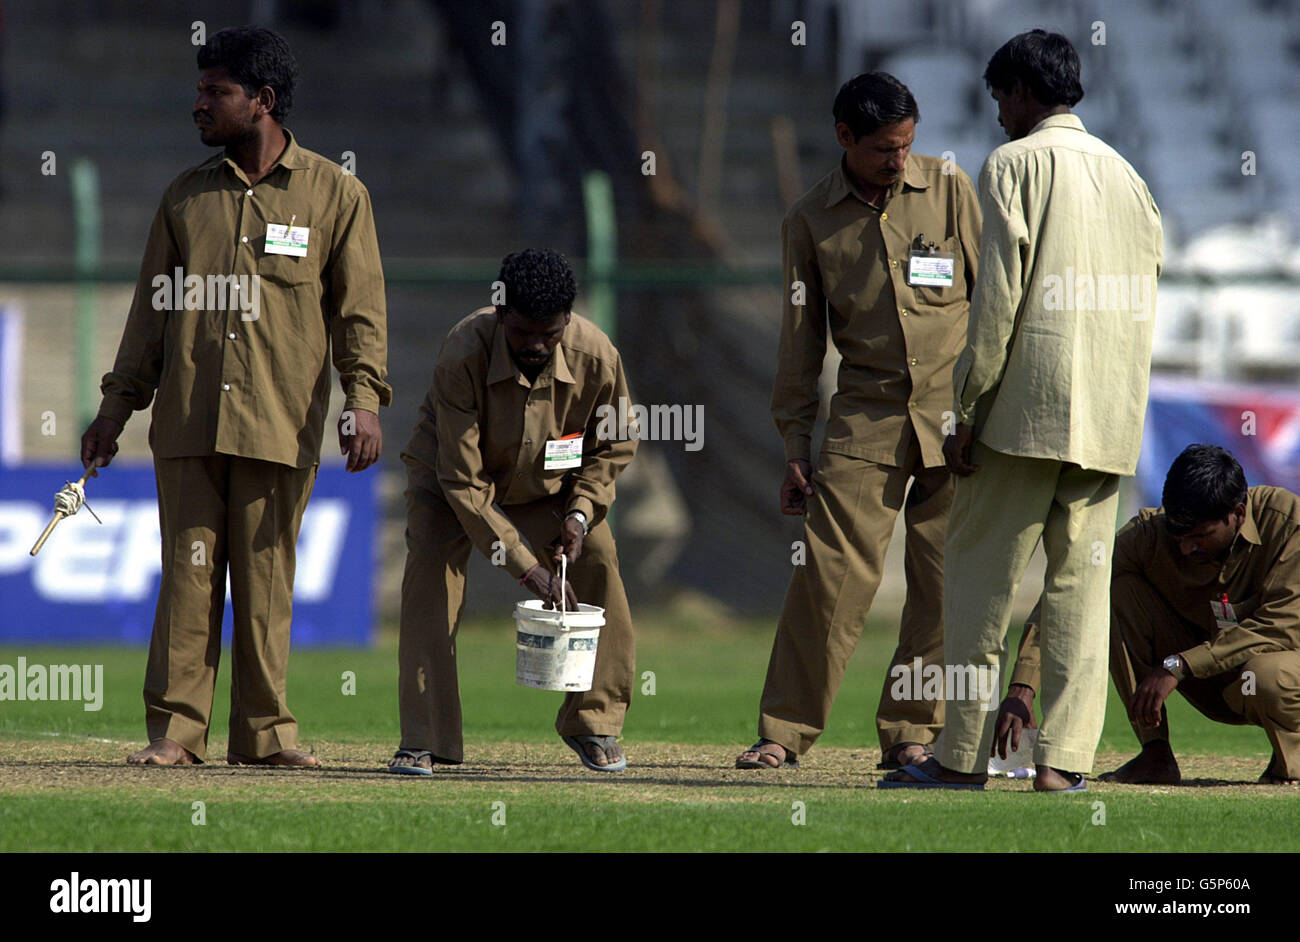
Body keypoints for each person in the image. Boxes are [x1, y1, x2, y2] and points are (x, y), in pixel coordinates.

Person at [80, 26, 391, 767]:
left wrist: (365, 399)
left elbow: (360, 313)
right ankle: (176, 736)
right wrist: (113, 411)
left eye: (215, 91)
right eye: (200, 89)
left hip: (280, 426)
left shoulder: (337, 195)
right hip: (188, 424)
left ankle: (266, 738)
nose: (199, 104)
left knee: (266, 585)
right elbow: (149, 317)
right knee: (187, 582)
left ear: (263, 101)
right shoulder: (185, 199)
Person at [882, 30, 1163, 791]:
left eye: (1001, 97)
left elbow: (998, 303)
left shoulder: (1012, 165)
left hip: (1024, 412)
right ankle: (1062, 764)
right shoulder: (1131, 177)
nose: (1000, 113)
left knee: (979, 586)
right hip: (1107, 417)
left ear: (1024, 93)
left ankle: (962, 759)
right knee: (1080, 595)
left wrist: (966, 408)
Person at [735, 72, 980, 771]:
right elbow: (800, 343)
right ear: (844, 138)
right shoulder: (809, 219)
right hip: (864, 422)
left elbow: (994, 297)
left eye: (907, 144)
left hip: (953, 424)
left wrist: (986, 409)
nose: (899, 159)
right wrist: (794, 443)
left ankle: (913, 732)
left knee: (941, 586)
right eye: (882, 149)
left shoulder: (951, 190)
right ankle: (782, 732)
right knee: (828, 577)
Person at [388, 248, 638, 774]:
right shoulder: (462, 352)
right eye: (523, 332)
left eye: (550, 333)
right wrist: (529, 569)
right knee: (430, 580)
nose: (537, 345)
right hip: (450, 481)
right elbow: (464, 480)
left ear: (567, 319)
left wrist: (580, 514)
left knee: (600, 560)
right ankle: (424, 739)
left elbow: (612, 446)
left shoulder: (597, 356)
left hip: (550, 489)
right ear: (501, 313)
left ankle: (592, 722)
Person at [996, 445, 1300, 786]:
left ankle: (1291, 759)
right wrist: (1023, 687)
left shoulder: (1287, 523)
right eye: (1178, 535)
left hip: (1275, 677)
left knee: (1268, 674)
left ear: (1238, 512)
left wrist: (1179, 665)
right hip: (1216, 682)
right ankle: (1155, 754)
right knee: (1109, 588)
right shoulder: (1150, 534)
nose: (1186, 548)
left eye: (1199, 536)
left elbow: (1280, 627)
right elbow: (1072, 590)